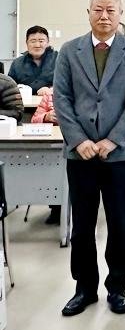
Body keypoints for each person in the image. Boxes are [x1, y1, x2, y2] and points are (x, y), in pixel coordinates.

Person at [53, 0, 125, 317]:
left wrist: (113, 140)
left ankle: (117, 287)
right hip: (79, 153)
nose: (104, 16)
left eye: (111, 10)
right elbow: (62, 98)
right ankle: (84, 288)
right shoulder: (70, 51)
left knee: (119, 222)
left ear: (121, 13)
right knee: (82, 225)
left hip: (118, 153)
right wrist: (78, 139)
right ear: (89, 13)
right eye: (98, 10)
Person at [31, 86, 62, 225]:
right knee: (52, 173)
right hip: (53, 147)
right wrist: (46, 116)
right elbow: (33, 120)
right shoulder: (50, 95)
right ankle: (56, 209)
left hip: (76, 143)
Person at [8, 25, 57, 95]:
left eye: (41, 41)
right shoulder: (17, 63)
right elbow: (9, 88)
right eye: (33, 41)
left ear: (47, 43)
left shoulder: (59, 59)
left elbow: (69, 83)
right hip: (25, 101)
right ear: (27, 43)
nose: (37, 45)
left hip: (52, 100)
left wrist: (52, 89)